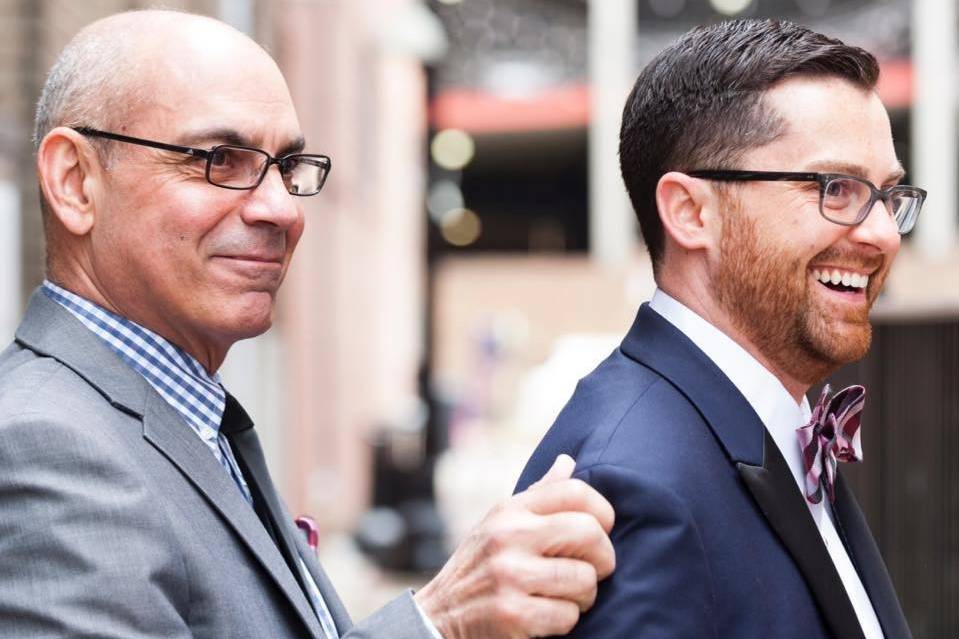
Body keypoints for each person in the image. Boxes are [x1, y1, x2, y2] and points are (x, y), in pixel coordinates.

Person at [0, 10, 617, 639]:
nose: (281, 209)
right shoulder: (44, 446)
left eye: (287, 166)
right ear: (75, 182)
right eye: (220, 159)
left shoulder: (191, 420)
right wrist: (437, 621)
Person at [516, 18, 922, 639]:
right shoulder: (632, 490)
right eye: (835, 188)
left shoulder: (751, 425)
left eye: (888, 195)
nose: (883, 234)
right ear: (690, 212)